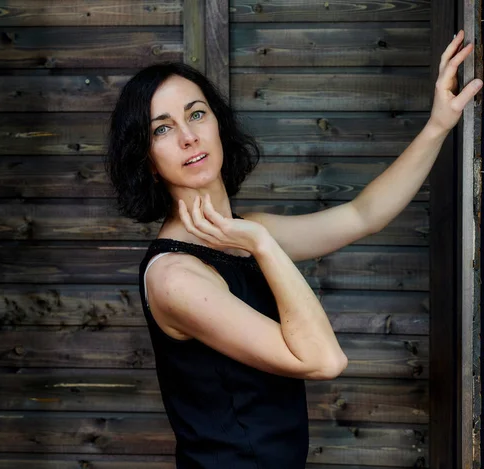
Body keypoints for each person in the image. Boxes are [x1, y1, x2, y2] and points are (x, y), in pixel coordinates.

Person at [105, 31, 482, 468]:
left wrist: (439, 124)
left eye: (197, 114)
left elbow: (364, 215)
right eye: (163, 129)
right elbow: (324, 359)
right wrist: (263, 244)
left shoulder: (245, 232)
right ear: (146, 159)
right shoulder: (176, 277)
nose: (188, 136)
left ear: (218, 125)